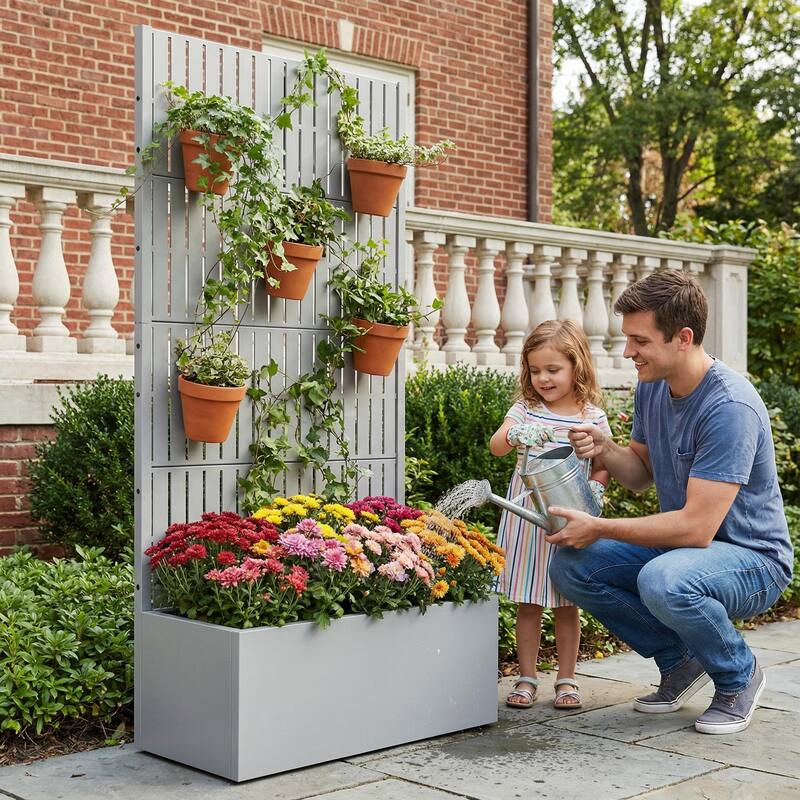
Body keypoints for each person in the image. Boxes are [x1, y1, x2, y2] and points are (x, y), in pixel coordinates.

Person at [547, 270, 793, 735]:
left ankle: (739, 674)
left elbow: (695, 529)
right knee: (572, 565)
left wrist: (600, 527)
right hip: (687, 553)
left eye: (639, 341)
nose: (627, 352)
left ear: (683, 337)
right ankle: (680, 662)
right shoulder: (654, 386)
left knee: (664, 579)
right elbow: (639, 474)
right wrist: (604, 446)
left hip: (753, 560)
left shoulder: (729, 407)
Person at [489, 319, 610, 710]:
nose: (543, 378)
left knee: (566, 600)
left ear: (577, 366)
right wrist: (515, 434)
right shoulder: (526, 409)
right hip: (527, 516)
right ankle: (526, 677)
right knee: (528, 600)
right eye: (535, 369)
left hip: (569, 516)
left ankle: (567, 678)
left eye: (553, 369)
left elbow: (603, 462)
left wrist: (598, 487)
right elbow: (496, 445)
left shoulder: (591, 416)